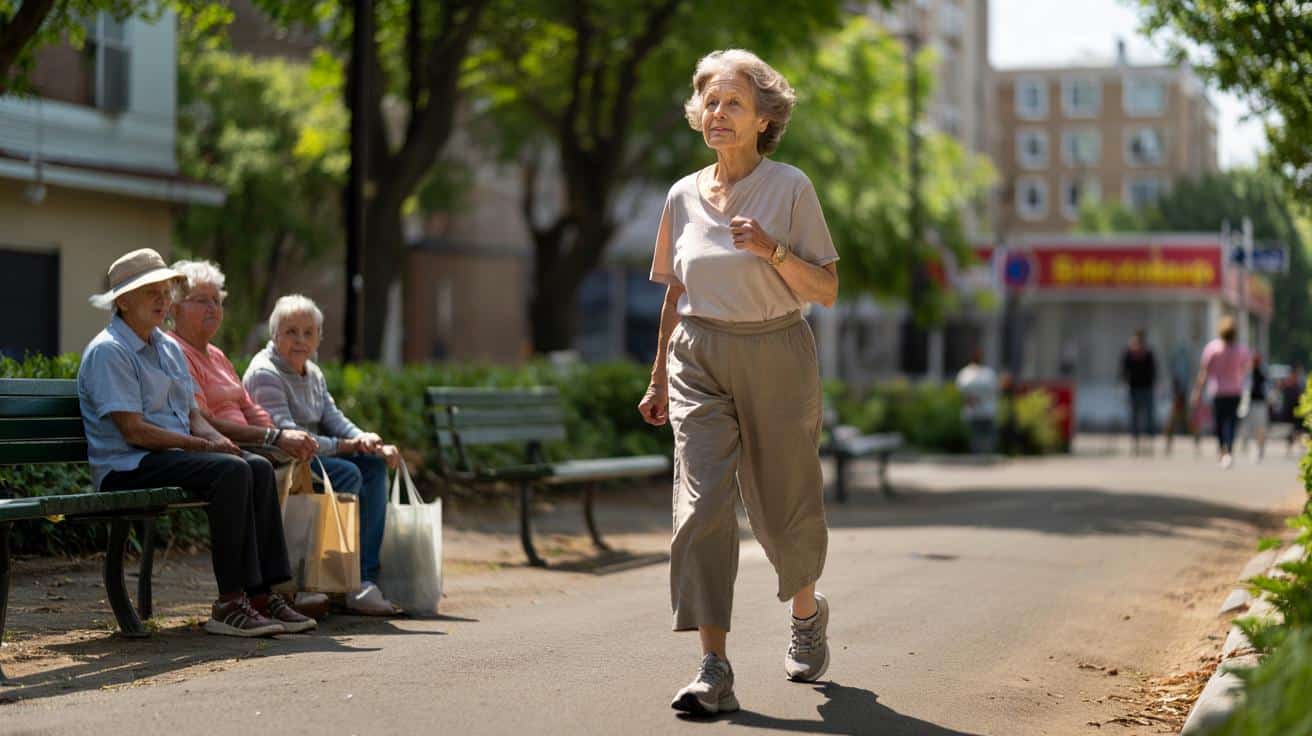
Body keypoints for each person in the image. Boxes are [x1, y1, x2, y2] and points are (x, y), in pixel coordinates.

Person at [638, 49, 839, 717]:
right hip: (697, 357)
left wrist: (772, 251)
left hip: (775, 349)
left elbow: (827, 289)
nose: (718, 113)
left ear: (764, 119)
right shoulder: (682, 194)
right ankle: (713, 665)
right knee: (699, 508)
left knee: (782, 508)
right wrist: (657, 376)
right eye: (711, 102)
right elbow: (675, 291)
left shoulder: (790, 188)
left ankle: (806, 613)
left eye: (734, 104)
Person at [77, 248, 314, 637]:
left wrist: (218, 440)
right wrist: (199, 447)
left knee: (254, 465)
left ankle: (261, 594)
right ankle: (229, 603)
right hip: (127, 467)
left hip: (166, 456)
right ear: (122, 302)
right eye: (149, 291)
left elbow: (193, 416)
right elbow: (134, 432)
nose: (162, 299)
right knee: (230, 472)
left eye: (165, 289)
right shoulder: (109, 351)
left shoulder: (166, 347)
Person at [167, 259, 328, 618]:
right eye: (202, 300)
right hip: (216, 447)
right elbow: (201, 418)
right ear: (175, 307)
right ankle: (266, 592)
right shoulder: (175, 351)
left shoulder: (218, 355)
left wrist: (281, 436)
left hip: (248, 445)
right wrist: (272, 436)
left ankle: (275, 589)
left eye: (218, 301)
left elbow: (248, 404)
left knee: (286, 463)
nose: (213, 308)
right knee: (257, 468)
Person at [243, 295, 402, 615]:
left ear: (318, 337)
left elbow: (333, 417)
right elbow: (288, 435)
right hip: (284, 462)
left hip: (313, 458)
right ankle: (322, 577)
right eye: (290, 331)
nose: (300, 340)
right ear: (274, 334)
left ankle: (363, 580)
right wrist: (346, 446)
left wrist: (364, 438)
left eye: (308, 332)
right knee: (348, 473)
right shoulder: (265, 373)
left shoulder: (312, 372)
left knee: (372, 466)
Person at [1191, 316, 1251, 469]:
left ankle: (1221, 450)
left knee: (1218, 422)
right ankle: (1229, 451)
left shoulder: (1212, 348)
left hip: (1218, 392)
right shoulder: (1241, 350)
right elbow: (1245, 370)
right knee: (1231, 422)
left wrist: (1197, 390)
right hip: (1235, 391)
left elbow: (1204, 372)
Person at [1119, 329, 1158, 456]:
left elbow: (1154, 371)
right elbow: (1123, 370)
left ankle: (1148, 442)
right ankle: (1135, 443)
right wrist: (1123, 384)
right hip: (1133, 388)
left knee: (1148, 416)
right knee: (1134, 417)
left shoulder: (1148, 353)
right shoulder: (1128, 353)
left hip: (1147, 388)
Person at [956, 348, 998, 454]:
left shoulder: (988, 373)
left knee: (988, 438)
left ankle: (987, 456)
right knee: (974, 438)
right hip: (972, 412)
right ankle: (975, 456)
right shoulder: (966, 373)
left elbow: (994, 390)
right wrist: (969, 399)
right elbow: (961, 391)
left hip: (987, 411)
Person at [1163, 343, 1194, 456]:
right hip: (1177, 396)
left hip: (1182, 396)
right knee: (1173, 422)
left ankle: (1196, 443)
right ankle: (1168, 444)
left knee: (1188, 421)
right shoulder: (1178, 366)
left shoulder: (1183, 365)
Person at [1241, 353, 1271, 461]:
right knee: (1247, 427)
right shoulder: (1248, 372)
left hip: (1260, 404)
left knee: (1261, 428)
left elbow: (1268, 389)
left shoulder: (1263, 373)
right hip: (1249, 403)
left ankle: (1260, 448)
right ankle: (1247, 446)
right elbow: (1244, 387)